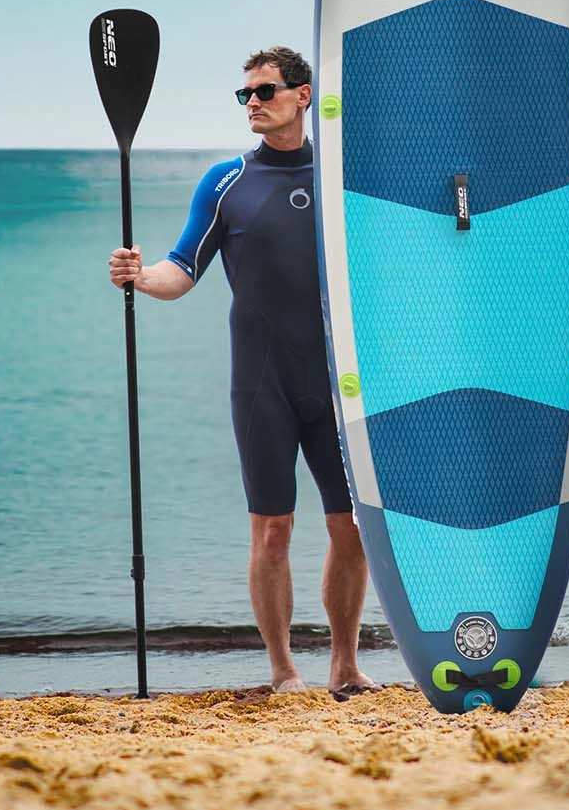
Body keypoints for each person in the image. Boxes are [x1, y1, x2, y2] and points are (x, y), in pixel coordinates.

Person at [107, 46, 378, 697]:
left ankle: (344, 665)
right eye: (245, 95)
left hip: (339, 384)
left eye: (265, 91)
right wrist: (140, 276)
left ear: (303, 95)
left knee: (351, 527)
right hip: (262, 383)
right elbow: (182, 271)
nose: (252, 103)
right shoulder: (226, 182)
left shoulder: (345, 177)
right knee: (272, 529)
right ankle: (283, 670)